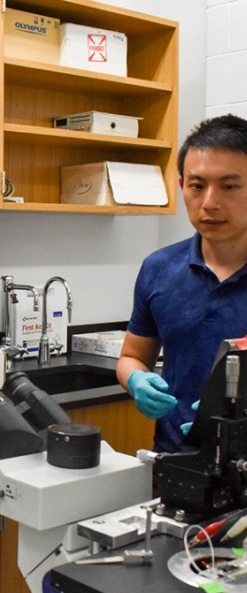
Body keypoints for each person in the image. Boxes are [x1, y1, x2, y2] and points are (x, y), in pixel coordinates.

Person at [117, 114, 247, 454]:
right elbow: (132, 356)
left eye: (229, 186)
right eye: (197, 185)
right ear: (181, 187)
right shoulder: (159, 269)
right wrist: (136, 380)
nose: (209, 203)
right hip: (176, 463)